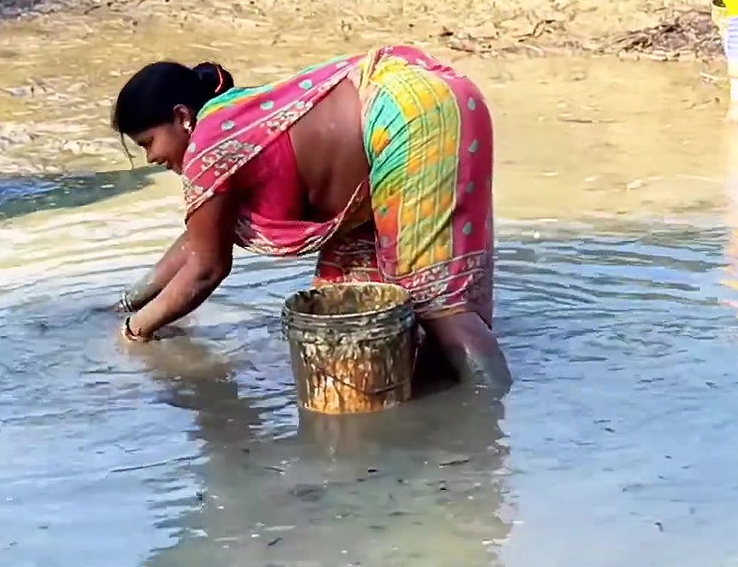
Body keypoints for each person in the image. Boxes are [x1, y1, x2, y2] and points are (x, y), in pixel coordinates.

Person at [110, 45, 510, 389]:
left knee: (434, 304)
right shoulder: (232, 121)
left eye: (149, 142)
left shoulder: (207, 148)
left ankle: (491, 426)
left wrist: (135, 331)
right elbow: (197, 243)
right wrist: (130, 301)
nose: (152, 158)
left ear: (182, 117)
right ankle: (440, 415)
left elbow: (206, 268)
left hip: (405, 119)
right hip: (425, 96)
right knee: (356, 308)